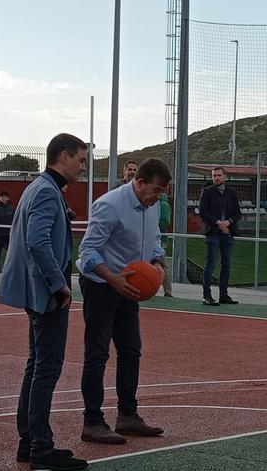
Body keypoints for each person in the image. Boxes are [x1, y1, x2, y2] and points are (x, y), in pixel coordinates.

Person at [0, 133, 89, 471]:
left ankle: (30, 441)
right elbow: (38, 242)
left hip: (36, 289)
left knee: (36, 365)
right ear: (63, 156)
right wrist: (58, 285)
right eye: (80, 160)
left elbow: (39, 238)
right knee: (45, 368)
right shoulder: (48, 192)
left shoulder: (39, 188)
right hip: (46, 290)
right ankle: (40, 447)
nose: (83, 167)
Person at [76, 158, 172, 445]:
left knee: (131, 350)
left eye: (162, 193)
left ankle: (127, 415)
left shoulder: (152, 206)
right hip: (101, 286)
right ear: (139, 182)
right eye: (155, 190)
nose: (157, 198)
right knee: (97, 354)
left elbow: (154, 239)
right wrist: (113, 278)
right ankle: (92, 421)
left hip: (128, 287)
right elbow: (88, 252)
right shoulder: (109, 205)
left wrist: (157, 263)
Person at [198, 166, 242, 306]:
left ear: (225, 177)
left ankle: (224, 294)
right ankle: (207, 295)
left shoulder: (231, 193)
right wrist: (218, 223)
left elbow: (238, 213)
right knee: (211, 263)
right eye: (214, 176)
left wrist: (228, 222)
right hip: (213, 233)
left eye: (218, 175)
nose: (216, 178)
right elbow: (203, 212)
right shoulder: (207, 192)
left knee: (227, 265)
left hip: (227, 234)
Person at [0, 190, 15, 273]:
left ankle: (10, 267)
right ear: (0, 198)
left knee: (11, 251)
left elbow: (14, 219)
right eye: (3, 197)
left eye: (6, 197)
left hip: (9, 234)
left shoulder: (11, 207)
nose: (5, 198)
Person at [158, 192, 173, 297]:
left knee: (162, 264)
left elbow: (165, 222)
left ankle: (167, 291)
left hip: (160, 239)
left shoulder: (163, 205)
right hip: (155, 238)